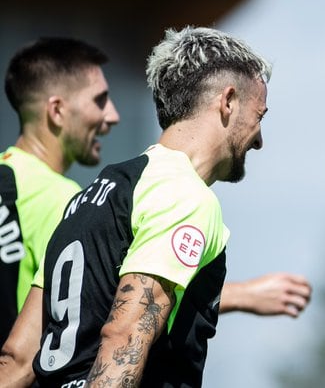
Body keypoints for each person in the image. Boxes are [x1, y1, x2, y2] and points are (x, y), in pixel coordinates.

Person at [17, 26, 270, 387]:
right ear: (228, 101)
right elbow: (124, 336)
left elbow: (17, 357)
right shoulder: (184, 195)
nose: (259, 140)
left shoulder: (89, 196)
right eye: (259, 116)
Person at [0, 37, 120, 347]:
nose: (112, 116)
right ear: (56, 110)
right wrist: (242, 295)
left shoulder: (9, 178)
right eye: (100, 100)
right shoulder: (64, 199)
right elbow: (123, 299)